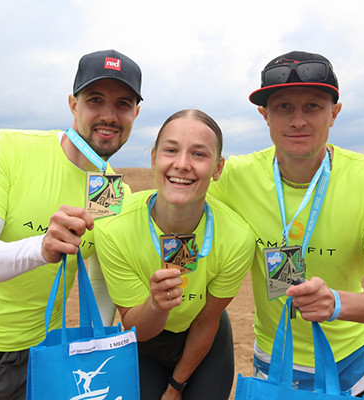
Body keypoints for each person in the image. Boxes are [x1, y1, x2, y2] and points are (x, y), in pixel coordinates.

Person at [0, 49, 143, 400]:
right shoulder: (9, 148)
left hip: (45, 356)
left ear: (135, 114)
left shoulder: (111, 190)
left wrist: (92, 346)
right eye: (95, 100)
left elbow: (99, 277)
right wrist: (41, 248)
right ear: (73, 104)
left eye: (123, 104)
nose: (109, 116)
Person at [208, 51, 364, 399]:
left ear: (334, 113)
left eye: (313, 106)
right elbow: (174, 203)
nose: (298, 120)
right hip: (272, 359)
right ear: (265, 115)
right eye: (284, 107)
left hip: (350, 364)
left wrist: (336, 303)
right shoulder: (233, 176)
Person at [94, 109, 255, 399]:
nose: (182, 164)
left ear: (218, 168)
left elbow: (206, 321)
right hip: (146, 341)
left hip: (204, 334)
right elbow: (136, 328)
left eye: (199, 154)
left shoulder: (237, 237)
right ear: (154, 158)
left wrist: (175, 387)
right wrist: (156, 306)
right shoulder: (112, 228)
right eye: (171, 150)